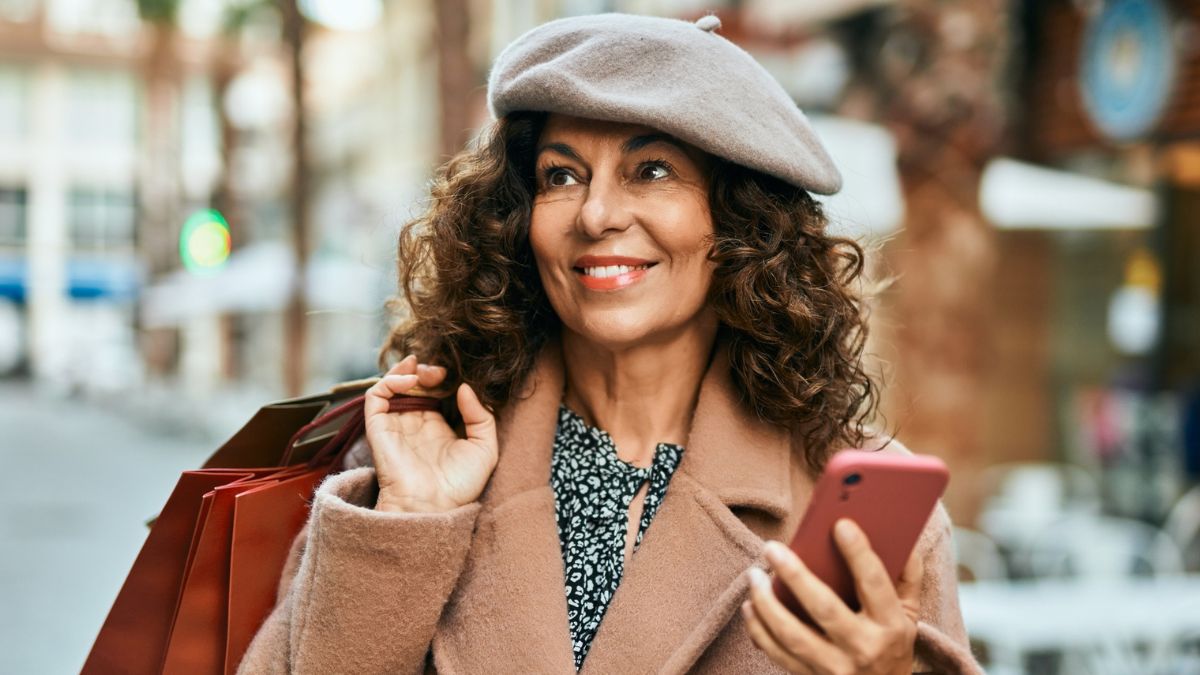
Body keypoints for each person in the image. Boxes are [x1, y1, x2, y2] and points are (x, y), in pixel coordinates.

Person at [238, 13, 981, 674]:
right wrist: (407, 525)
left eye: (650, 170)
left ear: (739, 223)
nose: (595, 213)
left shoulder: (857, 503)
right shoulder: (417, 465)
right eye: (561, 176)